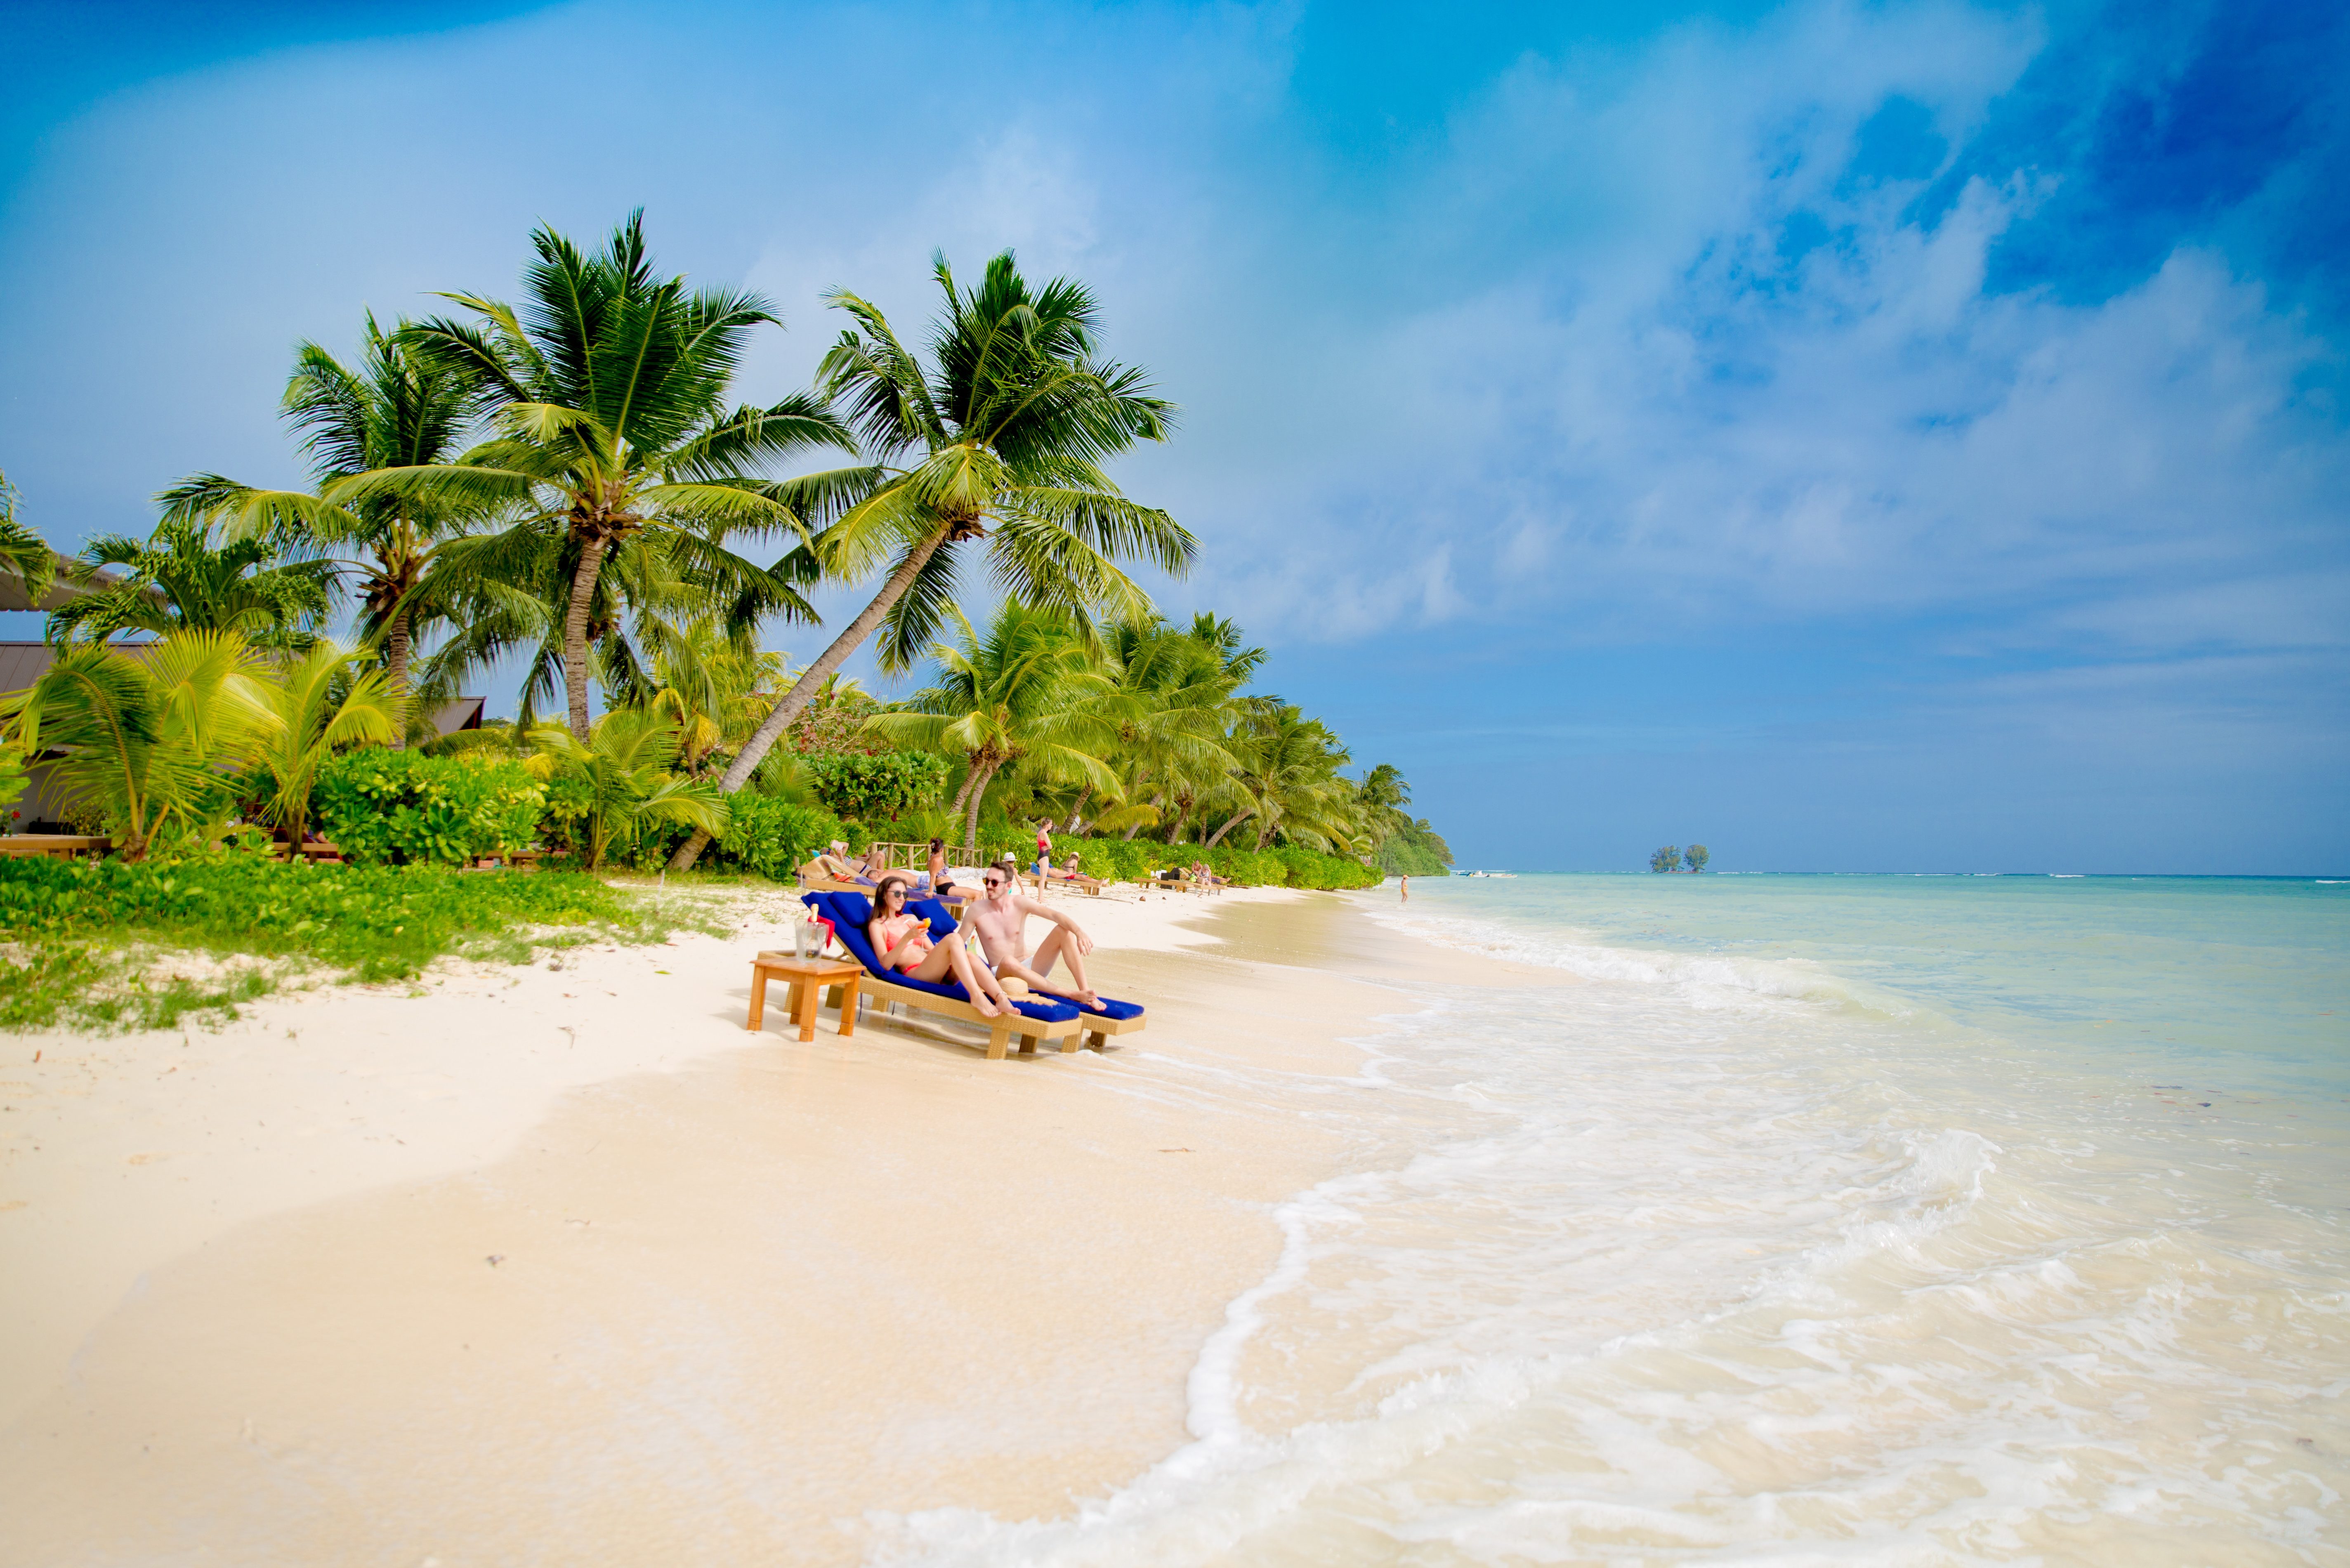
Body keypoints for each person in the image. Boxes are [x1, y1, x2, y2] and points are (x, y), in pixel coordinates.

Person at [865, 874, 1013, 1017]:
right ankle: (976, 996)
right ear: (884, 894)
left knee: (969, 955)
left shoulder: (910, 919)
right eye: (897, 893)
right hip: (917, 973)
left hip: (938, 971)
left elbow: (932, 950)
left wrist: (949, 959)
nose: (901, 898)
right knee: (953, 939)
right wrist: (907, 938)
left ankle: (1001, 998)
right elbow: (885, 964)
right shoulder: (878, 926)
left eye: (905, 894)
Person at [966, 858, 1102, 1008]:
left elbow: (1055, 915)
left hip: (1031, 968)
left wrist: (1079, 932)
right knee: (1008, 961)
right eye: (987, 881)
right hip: (1002, 974)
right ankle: (1069, 994)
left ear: (1008, 886)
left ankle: (1086, 993)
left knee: (1064, 931)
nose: (989, 886)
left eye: (995, 883)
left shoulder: (1019, 903)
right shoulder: (977, 910)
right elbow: (960, 943)